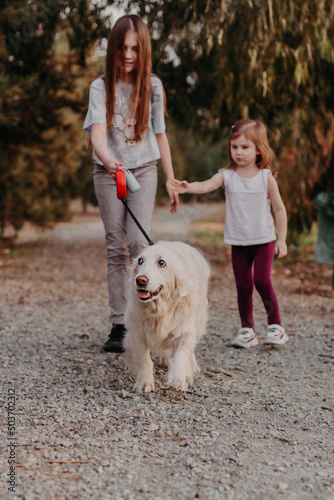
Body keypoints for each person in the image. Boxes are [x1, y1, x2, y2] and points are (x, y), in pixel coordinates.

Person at [83, 14, 179, 352]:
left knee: (140, 242)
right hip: (108, 172)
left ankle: (145, 320)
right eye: (123, 48)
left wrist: (170, 178)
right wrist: (110, 163)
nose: (128, 55)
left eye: (135, 49)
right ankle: (118, 326)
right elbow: (97, 134)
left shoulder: (152, 86)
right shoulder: (100, 86)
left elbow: (160, 136)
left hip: (143, 170)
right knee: (115, 247)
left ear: (144, 51)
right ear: (113, 48)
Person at [171, 119, 288, 348]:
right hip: (239, 242)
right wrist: (188, 187)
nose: (239, 152)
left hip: (264, 240)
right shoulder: (227, 175)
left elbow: (280, 209)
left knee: (262, 281)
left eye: (245, 147)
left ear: (258, 149)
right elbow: (206, 185)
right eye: (234, 147)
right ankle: (247, 330)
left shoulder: (266, 177)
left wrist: (281, 239)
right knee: (243, 285)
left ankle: (276, 326)